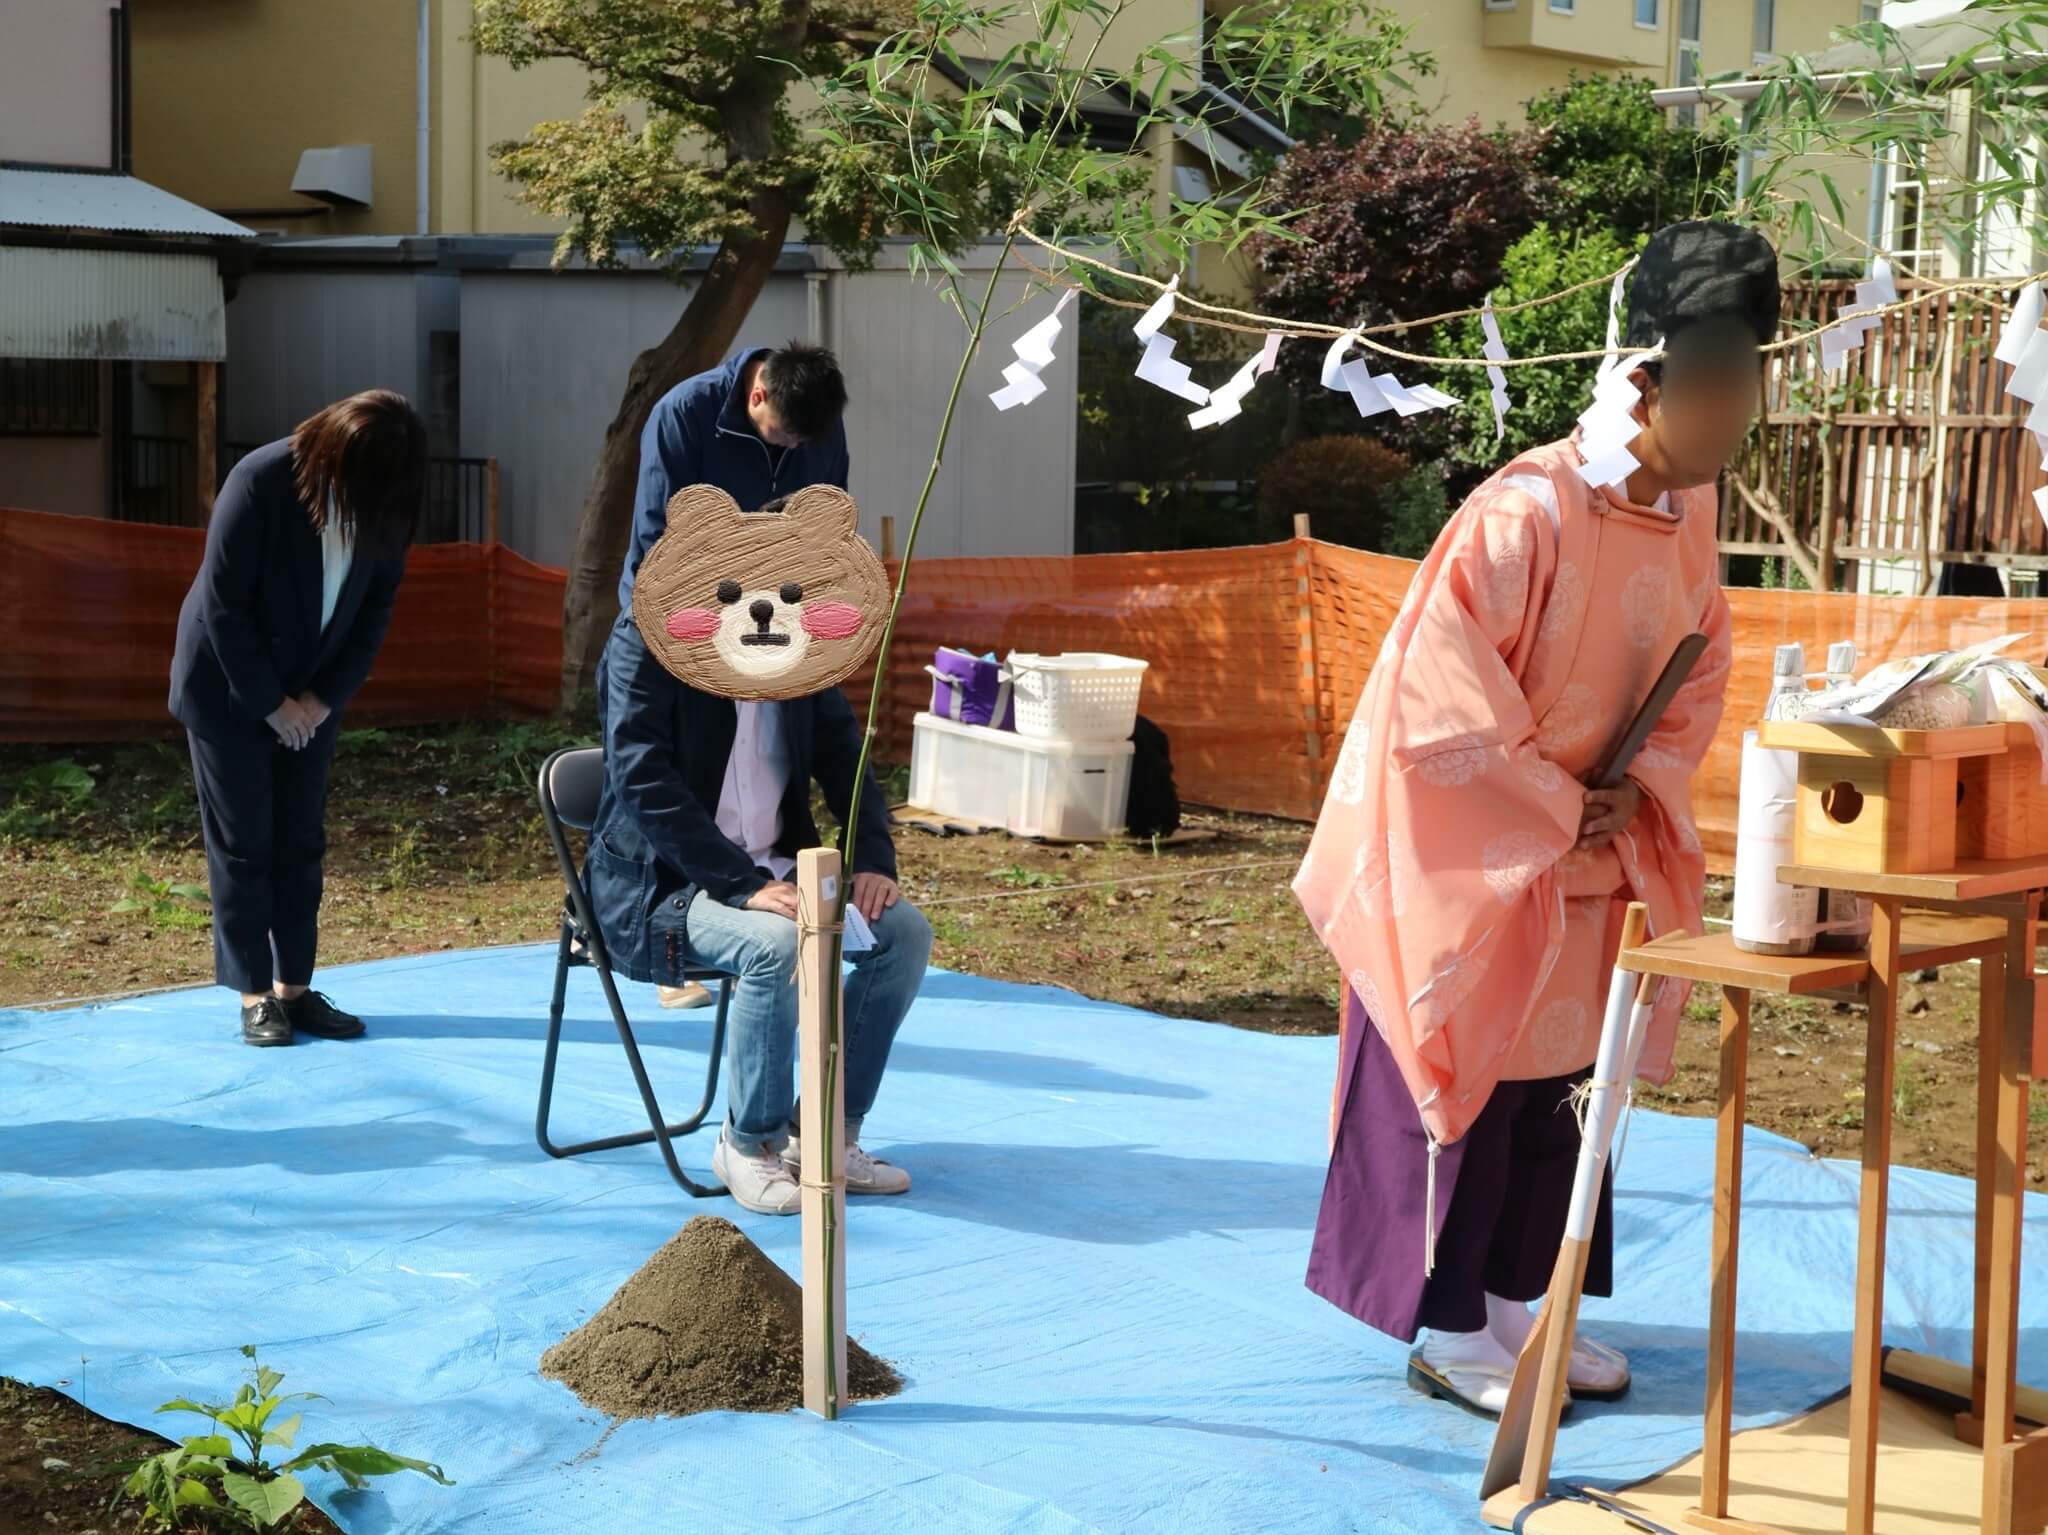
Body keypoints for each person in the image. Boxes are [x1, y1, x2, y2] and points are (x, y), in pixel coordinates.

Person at [1294, 221, 1778, 1417]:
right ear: (1641, 379)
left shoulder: (1694, 512)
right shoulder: (1522, 512)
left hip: (1587, 847)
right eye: (1711, 384)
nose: (1732, 414)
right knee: (1472, 1078)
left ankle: (1520, 1304)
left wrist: (1637, 786)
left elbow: (1700, 667)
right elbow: (1436, 700)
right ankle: (1446, 1323)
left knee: (1563, 1089)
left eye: (1746, 384)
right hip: (1472, 852)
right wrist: (1555, 800)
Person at [588, 502, 931, 1216]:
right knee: (776, 944)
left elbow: (848, 757)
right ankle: (748, 1144)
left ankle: (827, 1133)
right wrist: (741, 884)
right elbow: (641, 775)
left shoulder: (800, 646)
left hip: (776, 870)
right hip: (663, 887)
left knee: (904, 934)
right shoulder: (646, 641)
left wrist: (872, 858)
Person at [169, 390, 426, 1048]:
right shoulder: (259, 482)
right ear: (340, 460)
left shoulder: (388, 502)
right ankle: (256, 995)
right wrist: (271, 704)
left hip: (312, 697)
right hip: (229, 692)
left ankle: (296, 989)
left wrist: (321, 699)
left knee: (301, 842)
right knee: (246, 842)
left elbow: (373, 615)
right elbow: (224, 609)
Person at [617, 341, 850, 610]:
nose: (796, 446)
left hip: (775, 615)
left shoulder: (818, 421)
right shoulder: (683, 414)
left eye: (806, 441)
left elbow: (831, 521)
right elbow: (659, 532)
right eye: (786, 434)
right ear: (757, 397)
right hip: (672, 607)